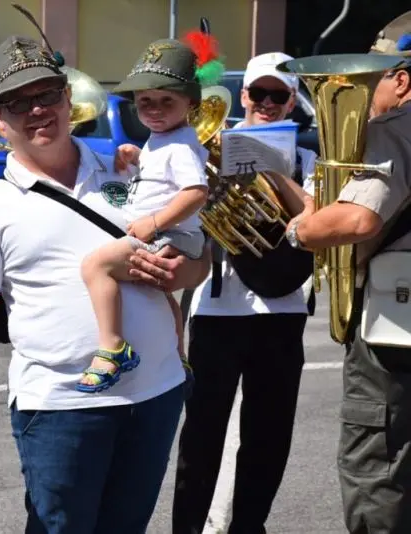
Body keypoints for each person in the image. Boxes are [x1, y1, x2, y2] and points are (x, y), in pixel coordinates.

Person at [0, 35, 211, 534]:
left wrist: (186, 272)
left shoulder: (128, 167)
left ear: (69, 99)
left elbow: (196, 257)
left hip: (155, 393)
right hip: (62, 408)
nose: (38, 110)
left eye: (47, 94)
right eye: (18, 103)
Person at [170, 51, 318, 534]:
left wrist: (273, 170)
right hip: (218, 308)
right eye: (260, 93)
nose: (268, 103)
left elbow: (316, 218)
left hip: (283, 309)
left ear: (293, 101)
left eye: (280, 95)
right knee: (202, 436)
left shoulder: (309, 157)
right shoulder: (208, 149)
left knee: (269, 436)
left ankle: (249, 526)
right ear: (244, 96)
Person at [285, 32, 411, 534]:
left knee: (376, 462)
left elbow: (358, 221)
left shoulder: (395, 128)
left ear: (401, 79)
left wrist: (302, 229)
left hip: (393, 331)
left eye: (375, 75)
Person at [77, 37, 211, 393]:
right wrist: (138, 158)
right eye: (145, 101)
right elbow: (163, 180)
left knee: (97, 266)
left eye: (167, 100)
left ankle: (112, 348)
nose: (154, 109)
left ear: (190, 103)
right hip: (176, 236)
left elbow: (197, 192)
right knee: (166, 298)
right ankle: (177, 353)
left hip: (171, 235)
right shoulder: (164, 140)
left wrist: (153, 224)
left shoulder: (179, 144)